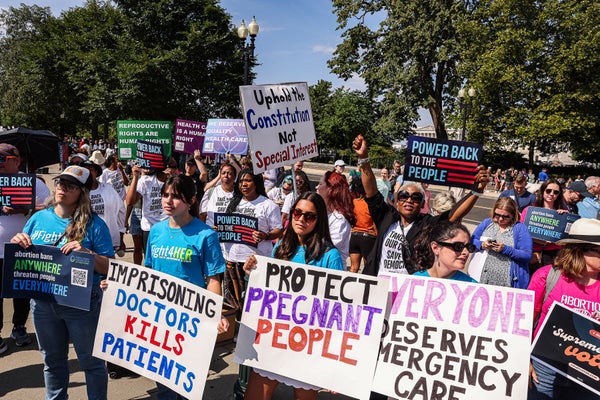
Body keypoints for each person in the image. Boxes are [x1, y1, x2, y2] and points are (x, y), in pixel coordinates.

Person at [10, 165, 114, 400]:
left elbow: (109, 267)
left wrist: (87, 253)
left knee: (91, 363)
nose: (62, 188)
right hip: (43, 303)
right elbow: (24, 251)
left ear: (82, 192)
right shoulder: (38, 219)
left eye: (70, 186)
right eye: (60, 183)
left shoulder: (95, 225)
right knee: (52, 362)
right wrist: (19, 241)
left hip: (82, 304)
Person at [242, 192, 344, 400]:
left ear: (319, 220)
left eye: (309, 216)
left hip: (307, 344)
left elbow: (336, 310)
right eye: (297, 213)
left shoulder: (329, 256)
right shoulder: (281, 247)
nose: (301, 219)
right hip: (275, 337)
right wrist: (254, 273)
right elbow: (269, 291)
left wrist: (336, 365)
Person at [352, 133, 488, 276]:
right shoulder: (386, 216)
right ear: (397, 200)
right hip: (378, 285)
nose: (409, 200)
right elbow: (371, 190)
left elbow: (453, 215)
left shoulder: (426, 223)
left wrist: (476, 191)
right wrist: (364, 158)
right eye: (404, 196)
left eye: (415, 197)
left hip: (407, 289)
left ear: (422, 203)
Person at [144, 174, 229, 400]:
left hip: (190, 317)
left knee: (186, 380)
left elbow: (213, 279)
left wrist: (216, 312)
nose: (168, 201)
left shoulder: (206, 235)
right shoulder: (156, 231)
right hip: (158, 314)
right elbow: (148, 272)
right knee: (161, 376)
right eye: (165, 195)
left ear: (191, 201)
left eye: (176, 197)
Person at [528, 218, 600, 400]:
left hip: (589, 377)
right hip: (543, 370)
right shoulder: (547, 276)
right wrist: (524, 360)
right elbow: (525, 321)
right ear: (579, 250)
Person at [0, 143, 51, 353]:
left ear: (16, 160)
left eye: (2, 159)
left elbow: (50, 206)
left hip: (22, 247)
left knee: (21, 292)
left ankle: (19, 327)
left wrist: (24, 208)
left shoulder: (34, 183)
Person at [222, 170, 282, 309]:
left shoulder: (268, 205)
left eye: (248, 181)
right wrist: (220, 229)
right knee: (232, 304)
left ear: (256, 183)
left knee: (253, 305)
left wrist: (265, 235)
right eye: (241, 181)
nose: (244, 184)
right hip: (232, 260)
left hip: (255, 262)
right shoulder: (233, 203)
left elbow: (278, 230)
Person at [471, 197, 533, 288]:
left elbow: (527, 255)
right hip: (481, 279)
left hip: (507, 283)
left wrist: (506, 249)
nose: (500, 219)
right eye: (497, 215)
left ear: (513, 215)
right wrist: (482, 244)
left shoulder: (520, 228)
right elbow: (471, 242)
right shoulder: (487, 223)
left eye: (505, 216)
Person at [521, 178, 567, 270]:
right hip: (531, 253)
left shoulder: (563, 213)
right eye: (548, 191)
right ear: (542, 191)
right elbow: (521, 233)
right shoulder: (529, 210)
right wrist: (540, 241)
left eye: (556, 192)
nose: (551, 194)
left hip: (553, 256)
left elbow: (566, 238)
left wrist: (563, 217)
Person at [82, 161, 126, 254]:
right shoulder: (77, 191)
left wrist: (120, 237)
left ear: (96, 172)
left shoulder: (108, 189)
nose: (88, 172)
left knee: (104, 266)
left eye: (91, 169)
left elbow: (121, 211)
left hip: (106, 239)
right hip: (83, 239)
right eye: (85, 170)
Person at [412, 221, 477, 282]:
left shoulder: (474, 288)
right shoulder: (413, 281)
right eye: (458, 246)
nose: (466, 252)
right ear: (435, 248)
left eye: (468, 247)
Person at [316, 171, 356, 267]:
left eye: (320, 184)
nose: (316, 187)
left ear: (330, 189)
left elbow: (328, 248)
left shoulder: (339, 220)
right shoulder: (322, 214)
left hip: (330, 270)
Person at [126, 163, 168, 252]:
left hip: (167, 228)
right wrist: (135, 177)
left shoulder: (171, 180)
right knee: (149, 262)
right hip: (149, 229)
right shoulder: (145, 180)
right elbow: (130, 202)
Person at [349, 177, 377, 273]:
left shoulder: (354, 202)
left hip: (354, 235)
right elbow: (374, 222)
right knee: (367, 268)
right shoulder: (371, 204)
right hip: (368, 237)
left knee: (354, 267)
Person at [199, 162, 237, 226]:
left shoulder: (241, 194)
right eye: (223, 173)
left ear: (234, 177)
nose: (226, 176)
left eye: (229, 173)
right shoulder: (210, 192)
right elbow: (202, 216)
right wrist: (208, 229)